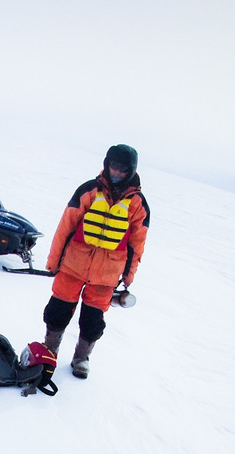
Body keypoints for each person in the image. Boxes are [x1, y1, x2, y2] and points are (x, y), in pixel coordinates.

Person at [41, 144, 150, 379]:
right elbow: (65, 227)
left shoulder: (138, 205)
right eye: (114, 166)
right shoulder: (89, 190)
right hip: (72, 265)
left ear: (131, 170)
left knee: (92, 322)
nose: (117, 172)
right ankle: (49, 352)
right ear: (106, 164)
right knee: (57, 311)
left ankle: (81, 358)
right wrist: (53, 262)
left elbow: (136, 245)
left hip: (107, 274)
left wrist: (129, 277)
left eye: (123, 169)